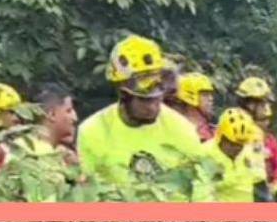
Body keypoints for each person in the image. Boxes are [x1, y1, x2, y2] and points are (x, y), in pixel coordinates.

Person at [77, 35, 206, 188]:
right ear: (123, 94)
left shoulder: (183, 131)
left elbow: (200, 190)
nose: (153, 107)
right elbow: (87, 192)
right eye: (145, 99)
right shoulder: (93, 132)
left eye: (158, 98)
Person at [194, 108, 267, 202]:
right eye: (232, 144)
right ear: (221, 136)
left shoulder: (250, 150)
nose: (237, 148)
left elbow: (259, 184)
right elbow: (201, 197)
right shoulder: (204, 155)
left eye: (241, 144)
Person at [236, 76, 277, 185]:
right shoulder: (232, 134)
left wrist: (275, 183)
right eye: (262, 103)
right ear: (250, 105)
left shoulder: (269, 139)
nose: (266, 108)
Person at [32, 83, 79, 165]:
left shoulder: (21, 147)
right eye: (69, 110)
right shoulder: (44, 158)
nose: (75, 118)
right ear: (52, 114)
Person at [173, 72, 217, 141]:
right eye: (205, 95)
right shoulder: (174, 124)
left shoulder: (212, 132)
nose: (211, 99)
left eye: (210, 94)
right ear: (191, 96)